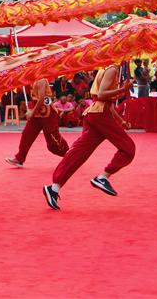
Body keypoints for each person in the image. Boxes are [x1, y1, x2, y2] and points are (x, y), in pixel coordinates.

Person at [42, 65, 134, 210]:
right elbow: (103, 95)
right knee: (128, 149)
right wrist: (123, 89)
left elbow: (105, 101)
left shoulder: (108, 68)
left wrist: (120, 120)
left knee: (78, 153)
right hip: (100, 115)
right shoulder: (112, 69)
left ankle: (54, 188)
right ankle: (103, 177)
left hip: (96, 114)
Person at [4, 77, 69, 168]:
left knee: (53, 142)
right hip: (37, 113)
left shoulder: (41, 79)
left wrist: (31, 112)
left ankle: (70, 155)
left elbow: (42, 99)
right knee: (27, 134)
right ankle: (19, 158)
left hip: (48, 114)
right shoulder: (32, 79)